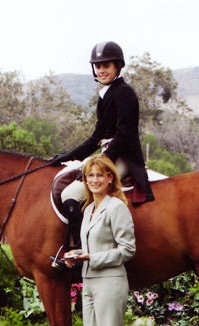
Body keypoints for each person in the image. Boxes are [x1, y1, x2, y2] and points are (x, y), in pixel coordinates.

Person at [51, 40, 153, 255]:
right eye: (98, 66)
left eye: (106, 65)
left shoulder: (124, 93)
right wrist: (68, 156)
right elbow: (97, 136)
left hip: (123, 156)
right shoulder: (105, 95)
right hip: (108, 155)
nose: (102, 70)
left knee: (72, 193)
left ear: (117, 66)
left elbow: (124, 135)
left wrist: (100, 162)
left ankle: (81, 249)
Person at [63, 155, 135, 326]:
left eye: (99, 176)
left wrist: (91, 258)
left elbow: (127, 250)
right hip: (89, 282)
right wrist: (77, 254)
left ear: (109, 179)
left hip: (111, 281)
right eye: (89, 176)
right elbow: (94, 248)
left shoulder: (116, 208)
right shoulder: (88, 209)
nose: (94, 180)